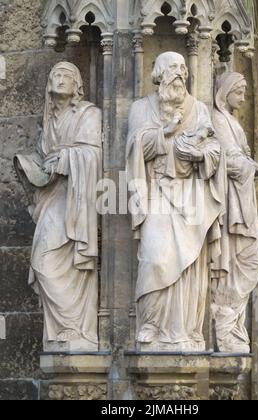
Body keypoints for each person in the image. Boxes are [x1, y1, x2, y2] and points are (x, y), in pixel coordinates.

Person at [126, 52, 226, 351]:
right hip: (157, 192)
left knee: (189, 264)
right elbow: (133, 147)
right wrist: (163, 133)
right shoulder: (140, 108)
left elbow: (214, 151)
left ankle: (184, 330)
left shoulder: (198, 109)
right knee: (156, 258)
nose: (180, 73)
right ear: (158, 73)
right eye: (173, 67)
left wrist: (198, 155)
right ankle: (151, 324)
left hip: (192, 196)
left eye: (183, 68)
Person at [14, 62, 102, 351]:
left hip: (78, 200)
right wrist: (32, 167)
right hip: (54, 197)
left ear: (77, 85)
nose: (59, 79)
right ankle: (65, 327)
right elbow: (45, 156)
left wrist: (66, 159)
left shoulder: (90, 114)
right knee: (42, 261)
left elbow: (97, 156)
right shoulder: (49, 120)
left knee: (48, 259)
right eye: (54, 75)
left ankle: (77, 329)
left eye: (66, 75)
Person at [211, 72, 258, 353]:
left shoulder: (232, 122)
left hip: (243, 202)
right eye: (240, 91)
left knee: (253, 263)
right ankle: (225, 322)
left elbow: (236, 156)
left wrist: (246, 163)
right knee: (243, 262)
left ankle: (231, 322)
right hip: (230, 205)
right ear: (226, 92)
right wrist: (247, 165)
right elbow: (222, 157)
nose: (244, 97)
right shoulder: (218, 119)